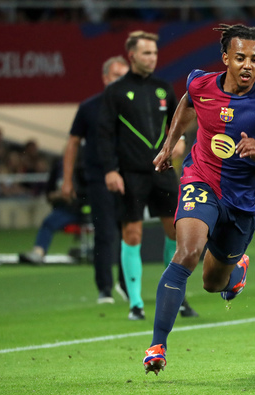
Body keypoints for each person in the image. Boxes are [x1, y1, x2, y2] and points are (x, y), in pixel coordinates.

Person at [142, 23, 255, 376]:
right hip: (200, 180)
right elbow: (188, 102)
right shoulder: (200, 83)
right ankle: (157, 344)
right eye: (240, 58)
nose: (248, 65)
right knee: (187, 252)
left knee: (212, 284)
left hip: (242, 201)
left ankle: (236, 271)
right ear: (225, 59)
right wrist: (168, 145)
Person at [97, 31, 180, 320]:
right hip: (131, 174)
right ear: (132, 56)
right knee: (132, 234)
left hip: (163, 172)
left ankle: (174, 295)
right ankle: (136, 303)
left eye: (155, 53)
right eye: (146, 53)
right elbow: (104, 134)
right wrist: (110, 170)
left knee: (177, 232)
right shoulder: (115, 91)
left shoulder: (163, 88)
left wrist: (178, 140)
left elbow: (177, 122)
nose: (152, 58)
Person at [62, 55, 130, 304]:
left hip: (130, 178)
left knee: (130, 232)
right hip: (99, 178)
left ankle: (126, 284)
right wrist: (67, 180)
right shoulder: (90, 107)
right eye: (116, 76)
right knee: (104, 233)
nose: (121, 82)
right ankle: (104, 288)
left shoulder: (133, 108)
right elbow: (72, 143)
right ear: (105, 78)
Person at [19, 158, 85, 264]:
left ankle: (38, 252)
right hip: (65, 209)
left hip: (81, 209)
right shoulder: (59, 166)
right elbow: (48, 194)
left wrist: (74, 196)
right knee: (49, 222)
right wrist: (58, 196)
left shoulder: (84, 165)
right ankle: (38, 252)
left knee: (49, 222)